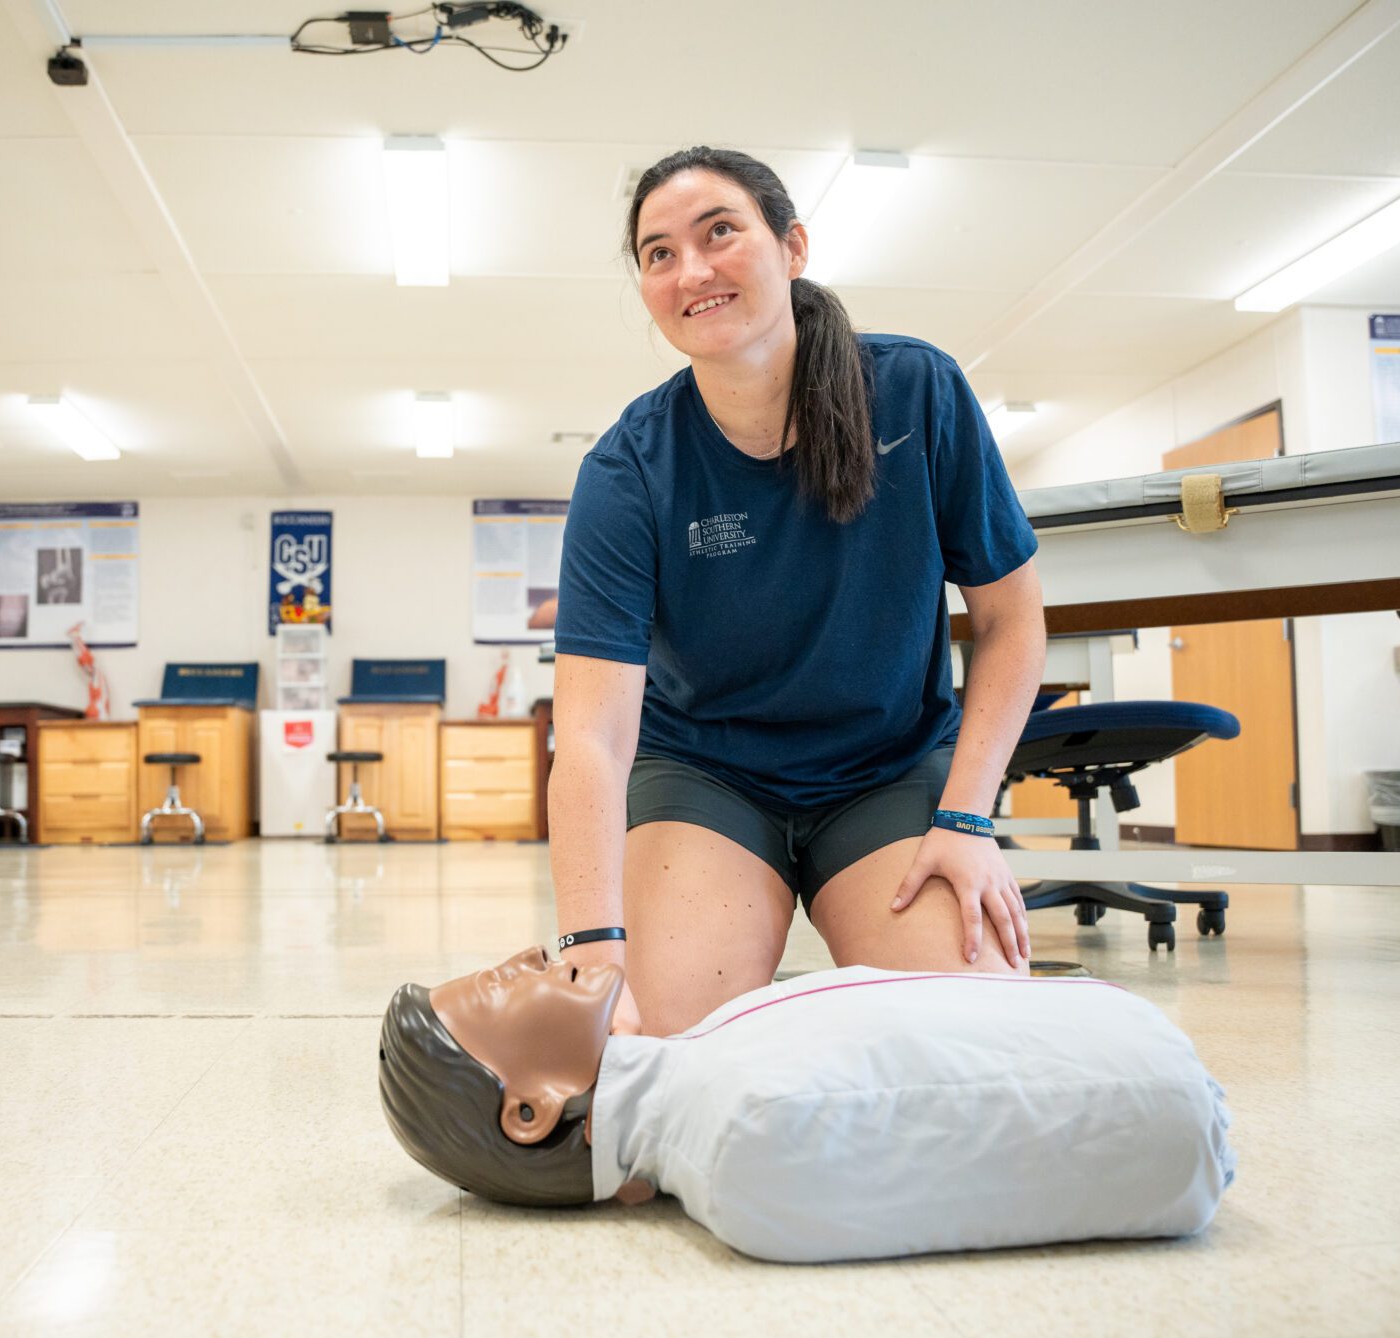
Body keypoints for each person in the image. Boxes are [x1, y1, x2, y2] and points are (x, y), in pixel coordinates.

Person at [550, 147, 1047, 1034]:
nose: (690, 269)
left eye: (720, 232)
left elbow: (1010, 620)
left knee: (981, 1044)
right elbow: (591, 733)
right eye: (658, 253)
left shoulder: (915, 391)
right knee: (658, 1058)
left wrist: (968, 817)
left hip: (888, 771)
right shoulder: (629, 468)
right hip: (709, 776)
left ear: (792, 247)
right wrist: (594, 943)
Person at [378, 946, 1234, 1263]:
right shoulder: (750, 1127)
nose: (530, 953)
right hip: (1161, 1083)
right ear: (530, 1109)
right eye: (503, 983)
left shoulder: (720, 1065)